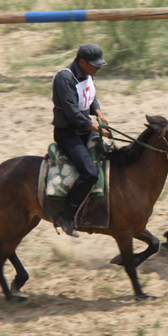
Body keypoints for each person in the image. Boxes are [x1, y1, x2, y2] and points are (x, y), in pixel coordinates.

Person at [51, 43, 109, 237]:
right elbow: (73, 113)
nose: (98, 68)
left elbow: (90, 96)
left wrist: (98, 113)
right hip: (68, 134)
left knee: (110, 152)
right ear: (82, 62)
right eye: (95, 65)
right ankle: (66, 217)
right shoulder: (64, 78)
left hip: (84, 130)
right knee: (90, 173)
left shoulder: (86, 74)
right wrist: (96, 127)